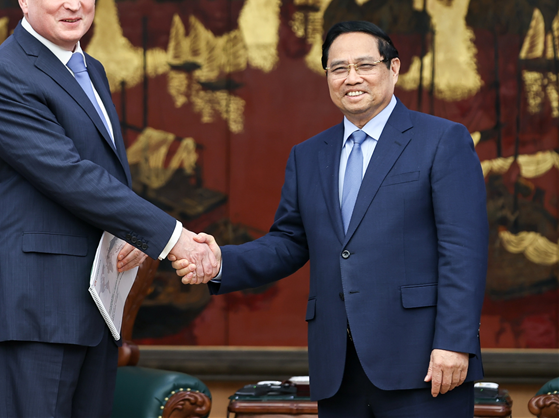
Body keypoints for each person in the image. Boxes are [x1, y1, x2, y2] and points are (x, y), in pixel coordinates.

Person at [172, 21, 489, 417]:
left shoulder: (442, 140)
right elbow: (289, 242)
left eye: (365, 65)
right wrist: (221, 262)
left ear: (393, 69)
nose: (351, 78)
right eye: (338, 68)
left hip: (424, 362)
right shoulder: (308, 155)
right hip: (338, 368)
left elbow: (463, 250)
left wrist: (455, 342)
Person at [0, 0, 218, 418]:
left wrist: (131, 233)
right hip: (38, 305)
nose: (74, 3)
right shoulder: (6, 75)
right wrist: (173, 238)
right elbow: (69, 175)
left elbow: (103, 174)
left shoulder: (90, 69)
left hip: (95, 302)